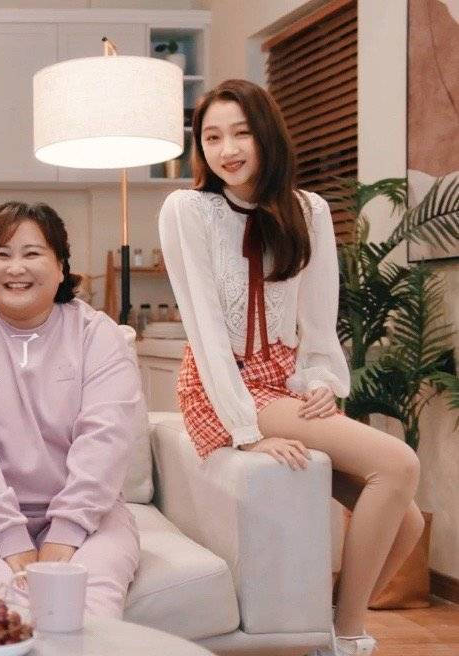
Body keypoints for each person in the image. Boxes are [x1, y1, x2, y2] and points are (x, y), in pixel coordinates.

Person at [159, 79, 423, 656]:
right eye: (211, 138)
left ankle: (321, 627)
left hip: (283, 381)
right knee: (399, 462)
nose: (227, 149)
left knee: (409, 523)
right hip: (221, 382)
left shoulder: (308, 210)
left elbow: (318, 317)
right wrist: (246, 432)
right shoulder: (188, 210)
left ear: (267, 136)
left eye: (241, 133)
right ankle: (346, 636)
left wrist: (322, 381)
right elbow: (204, 327)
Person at [0, 201, 142, 618]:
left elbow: (106, 437)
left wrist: (66, 534)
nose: (15, 267)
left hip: (92, 518)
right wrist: (11, 540)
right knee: (3, 614)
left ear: (60, 267)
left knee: (89, 610)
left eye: (32, 253)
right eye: (1, 254)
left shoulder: (97, 335)